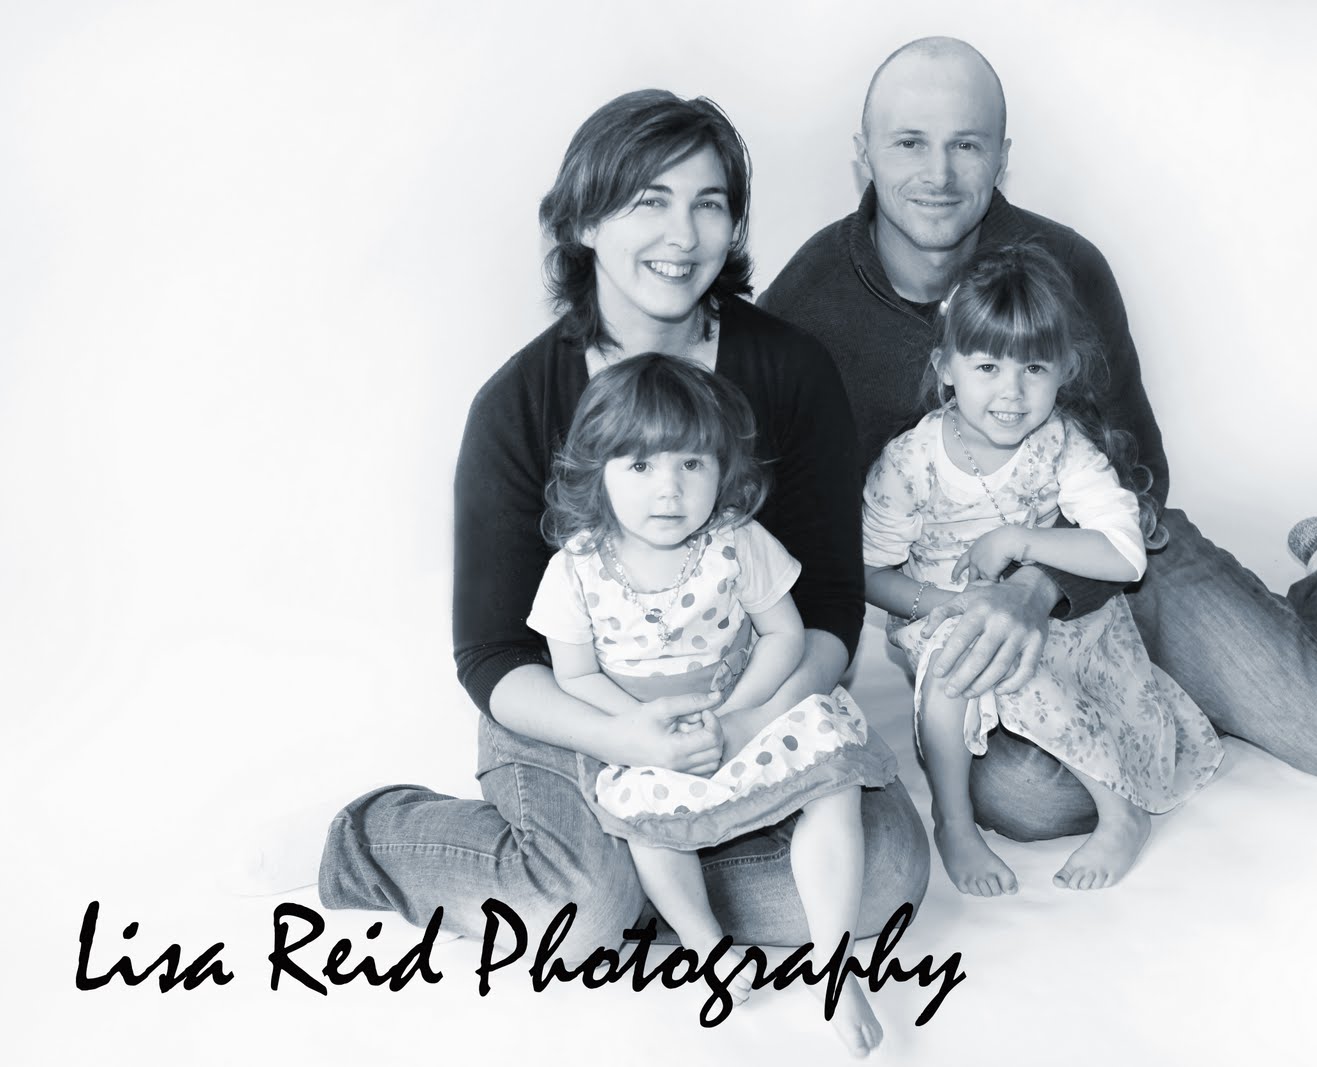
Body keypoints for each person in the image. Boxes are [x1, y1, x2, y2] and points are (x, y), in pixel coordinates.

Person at [318, 89, 929, 965]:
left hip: (746, 692)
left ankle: (650, 870)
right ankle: (376, 837)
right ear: (584, 221)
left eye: (708, 203)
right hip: (579, 698)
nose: (683, 235)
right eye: (649, 200)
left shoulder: (790, 370)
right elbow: (492, 654)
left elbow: (828, 602)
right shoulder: (518, 404)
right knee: (578, 914)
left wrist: (752, 720)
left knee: (885, 877)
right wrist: (624, 738)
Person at [761, 37, 1317, 842]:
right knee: (1028, 801)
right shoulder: (808, 302)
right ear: (863, 155)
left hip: (1121, 560)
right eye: (909, 144)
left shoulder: (1064, 265)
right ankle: (1172, 693)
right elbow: (805, 527)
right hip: (969, 608)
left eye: (966, 145)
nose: (939, 174)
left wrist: (1039, 585)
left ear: (1003, 156)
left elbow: (1141, 476)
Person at [529, 354, 888, 1053]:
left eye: (691, 463)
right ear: (596, 472)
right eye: (640, 464)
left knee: (834, 782)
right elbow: (574, 676)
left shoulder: (735, 541)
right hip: (641, 731)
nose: (669, 489)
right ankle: (705, 945)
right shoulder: (576, 567)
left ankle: (836, 961)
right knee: (647, 825)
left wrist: (740, 716)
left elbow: (785, 634)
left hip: (740, 707)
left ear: (723, 468)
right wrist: (641, 731)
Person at [863, 244, 1222, 895]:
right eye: (987, 365)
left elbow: (1124, 553)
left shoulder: (1060, 446)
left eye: (1033, 367)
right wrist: (946, 605)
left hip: (1055, 614)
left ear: (1065, 370)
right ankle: (954, 821)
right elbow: (867, 571)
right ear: (945, 368)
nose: (1011, 391)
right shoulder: (910, 465)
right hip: (940, 614)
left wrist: (1020, 540)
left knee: (1038, 659)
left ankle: (1121, 813)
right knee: (959, 661)